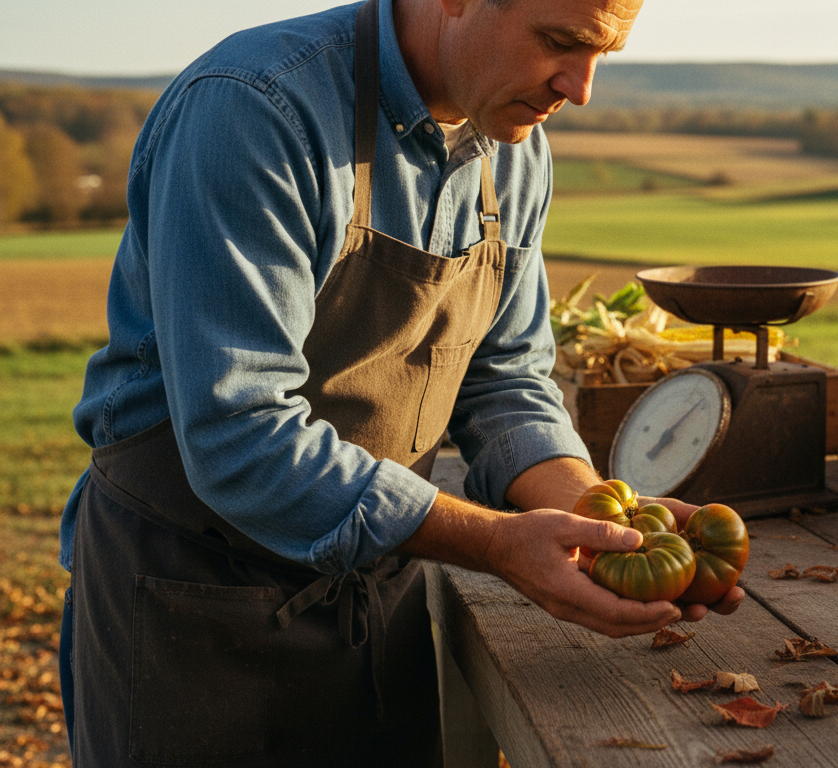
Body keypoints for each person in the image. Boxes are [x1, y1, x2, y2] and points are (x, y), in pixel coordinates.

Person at [57, 0, 744, 764]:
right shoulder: (255, 110)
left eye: (601, 55)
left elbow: (507, 376)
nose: (579, 89)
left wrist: (596, 523)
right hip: (194, 595)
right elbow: (238, 433)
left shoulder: (513, 148)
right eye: (559, 42)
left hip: (377, 592)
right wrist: (495, 544)